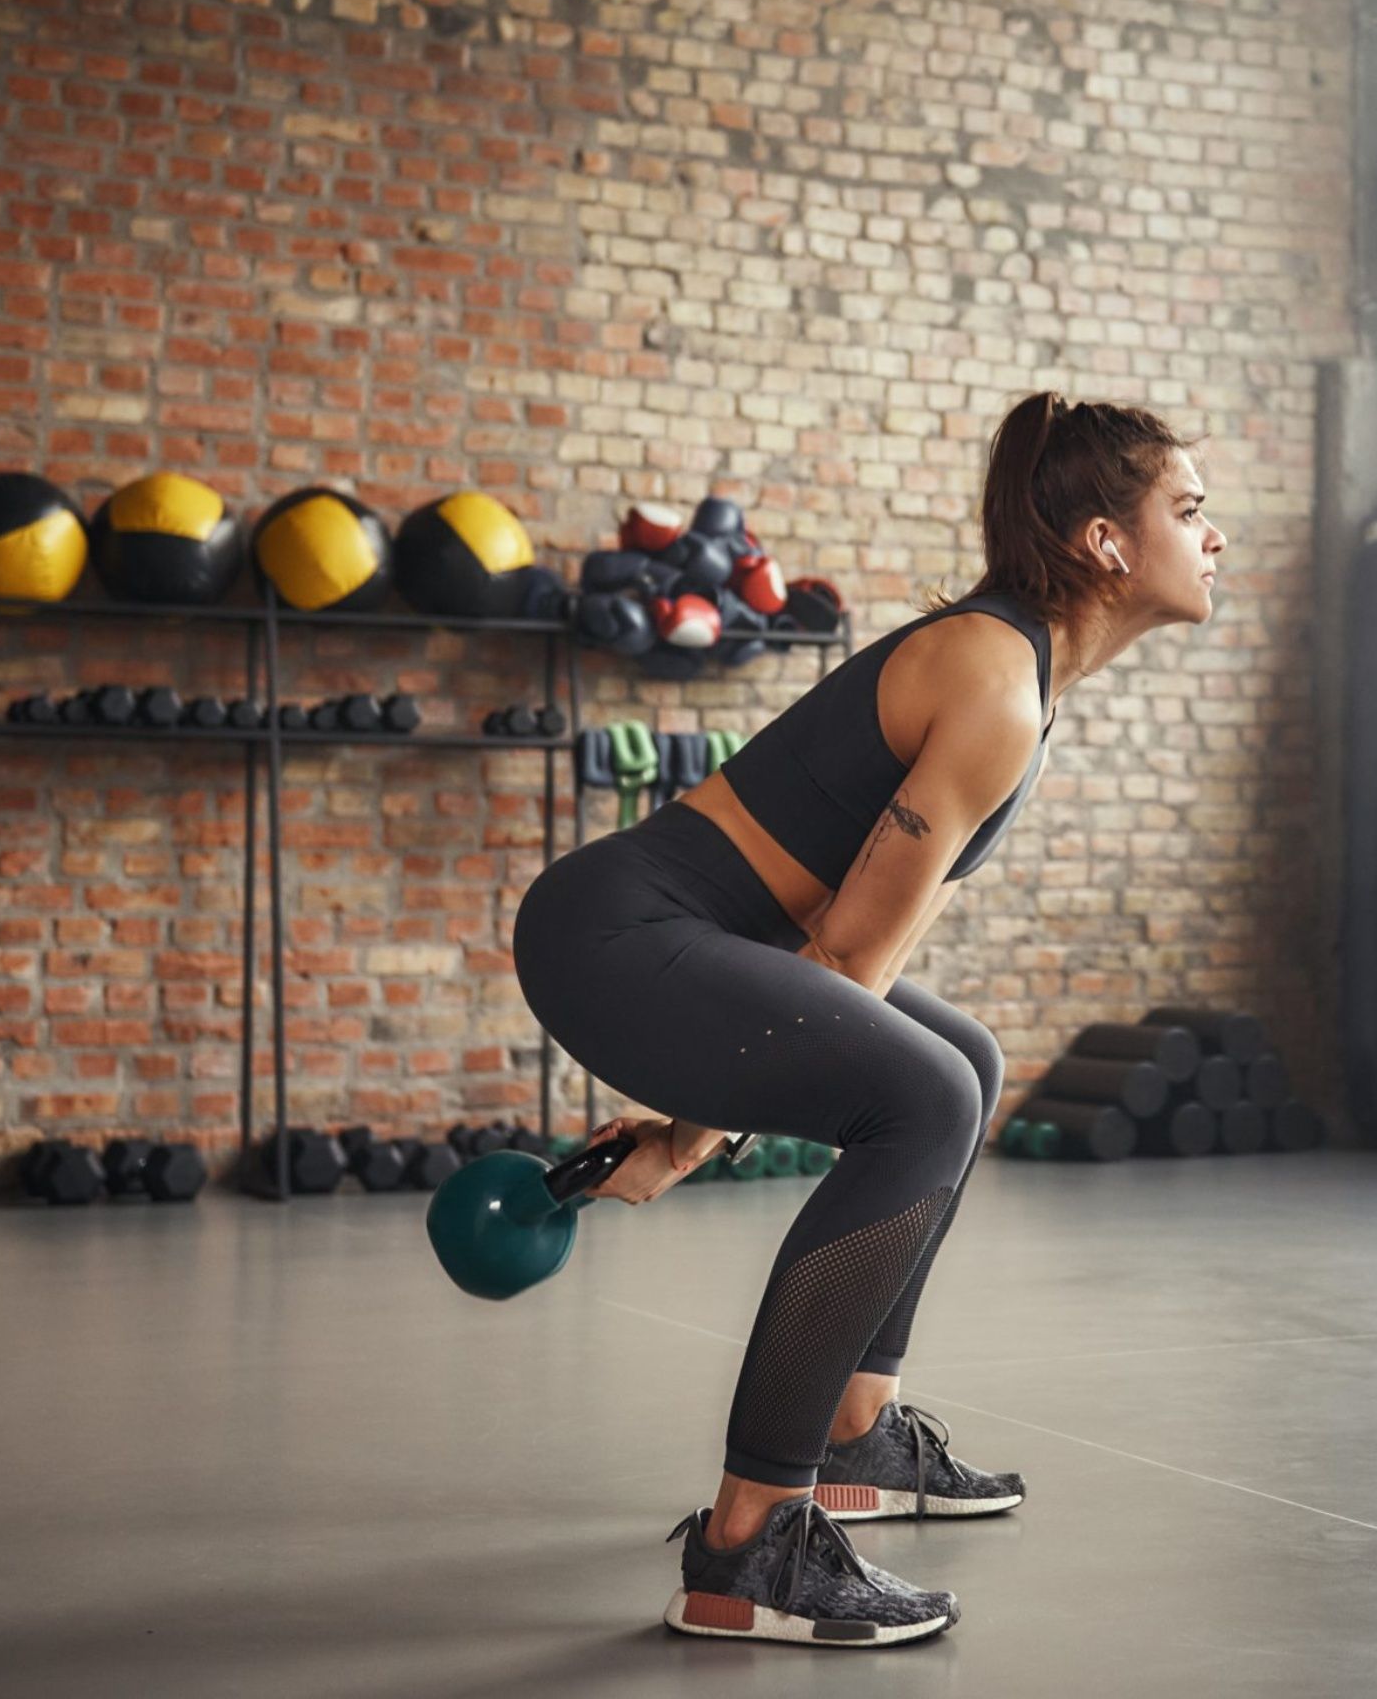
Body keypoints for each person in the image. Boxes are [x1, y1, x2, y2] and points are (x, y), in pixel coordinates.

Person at [510, 390, 1228, 1647]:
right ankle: (749, 1542)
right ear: (1109, 543)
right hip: (617, 936)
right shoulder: (996, 679)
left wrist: (695, 1122)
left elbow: (870, 931)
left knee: (959, 1057)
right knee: (927, 1095)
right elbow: (844, 954)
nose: (1210, 535)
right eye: (1188, 508)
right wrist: (689, 1136)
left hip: (678, 939)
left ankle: (858, 1429)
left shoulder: (1018, 669)